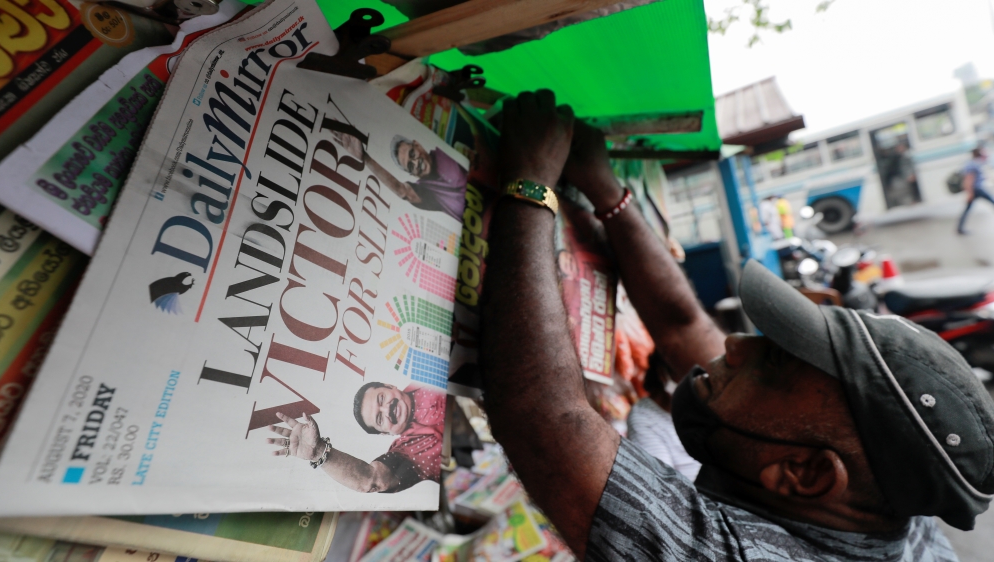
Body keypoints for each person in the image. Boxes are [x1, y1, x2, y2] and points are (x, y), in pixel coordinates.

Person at [481, 89, 993, 561]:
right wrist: (605, 186)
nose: (734, 343)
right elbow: (683, 327)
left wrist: (531, 181)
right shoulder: (883, 494)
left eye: (771, 364)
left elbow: (542, 413)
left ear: (805, 473)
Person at [266, 382, 444, 493]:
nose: (387, 409)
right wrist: (318, 451)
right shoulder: (405, 452)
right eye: (380, 419)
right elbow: (370, 478)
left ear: (390, 386)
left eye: (381, 399)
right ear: (385, 433)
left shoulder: (426, 377)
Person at [334, 132, 468, 220]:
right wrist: (365, 157)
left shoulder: (445, 156)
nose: (416, 162)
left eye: (412, 154)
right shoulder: (428, 191)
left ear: (418, 146)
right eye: (410, 166)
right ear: (412, 174)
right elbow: (402, 190)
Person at [626, 354, 701, 480]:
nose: (698, 383)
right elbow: (664, 484)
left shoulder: (698, 409)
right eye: (690, 377)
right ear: (662, 374)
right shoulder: (644, 419)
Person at [957, 145, 993, 235]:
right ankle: (959, 228)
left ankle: (959, 228)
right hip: (977, 189)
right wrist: (970, 193)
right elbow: (968, 180)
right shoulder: (973, 164)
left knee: (967, 209)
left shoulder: (974, 163)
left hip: (975, 189)